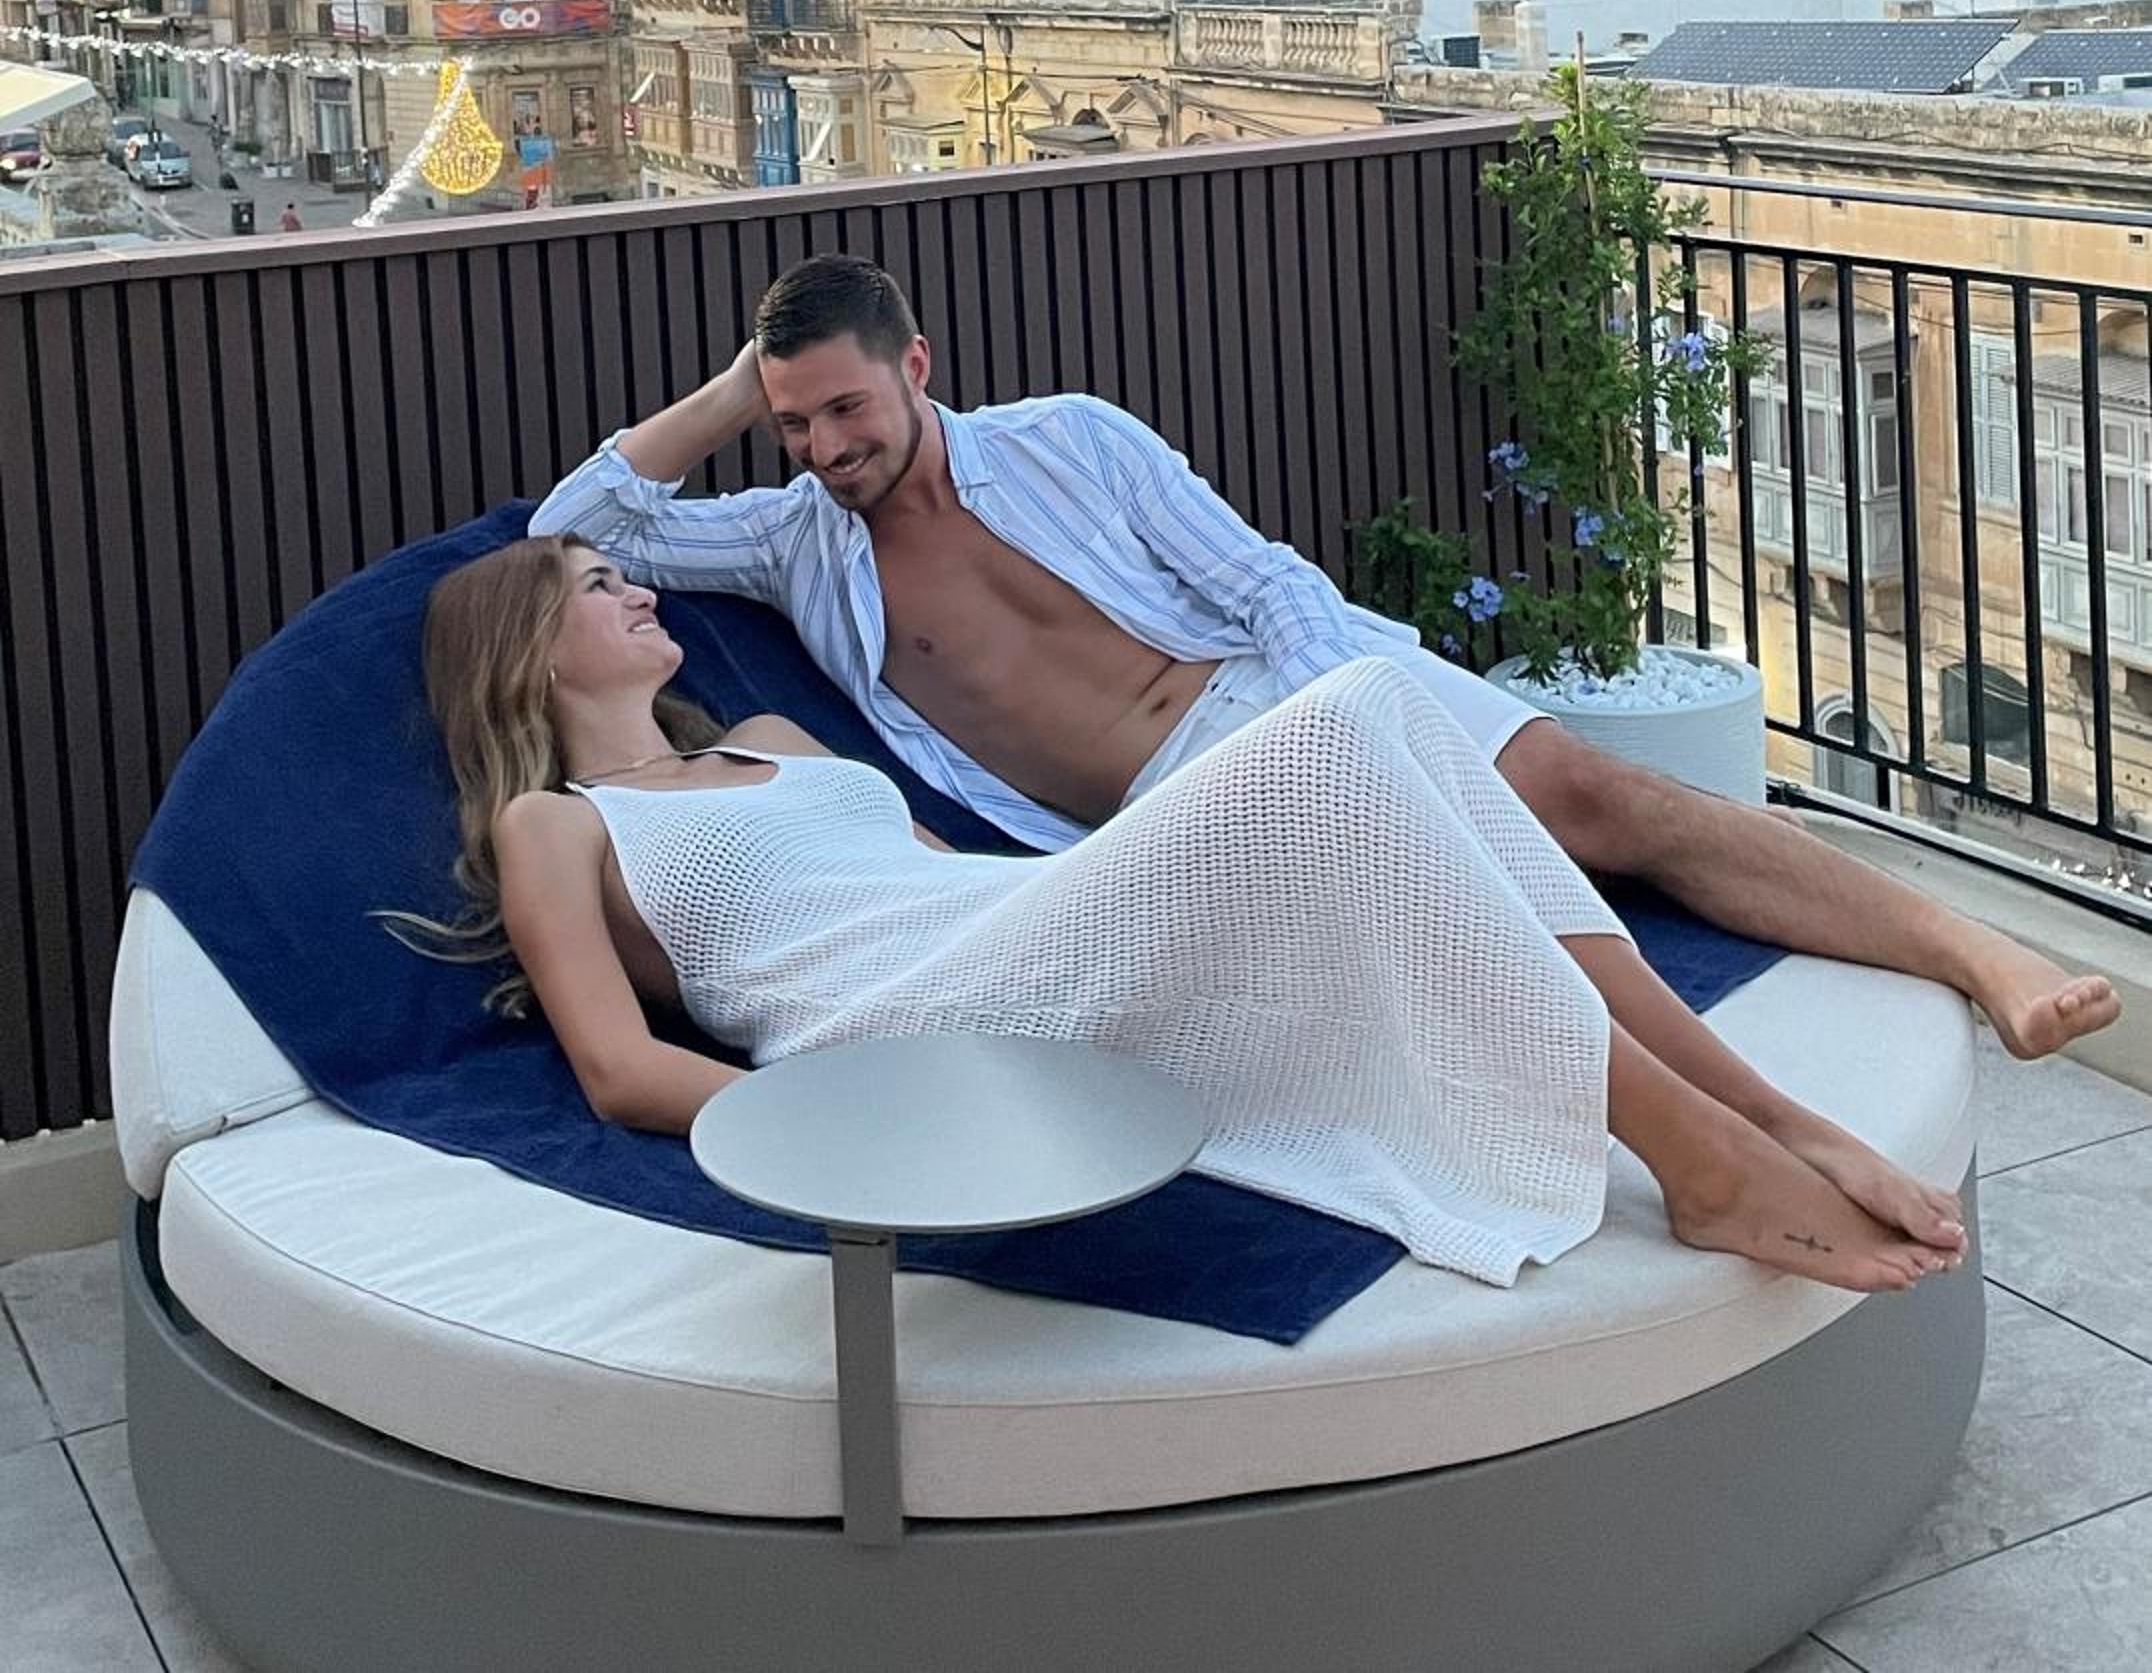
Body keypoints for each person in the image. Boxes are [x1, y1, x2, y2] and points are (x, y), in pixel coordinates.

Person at [532, 257, 2120, 1074]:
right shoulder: (788, 540)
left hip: (1284, 692)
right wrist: (737, 389)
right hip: (1159, 816)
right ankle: (1720, 1125)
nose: (824, 447)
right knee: (1456, 912)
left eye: (844, 409)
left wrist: (1329, 725)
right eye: (793, 423)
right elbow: (573, 523)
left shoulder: (1071, 439)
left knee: (1599, 797)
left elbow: (1265, 583)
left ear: (917, 371)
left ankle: (1969, 949)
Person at [421, 531, 1968, 1293]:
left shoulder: (773, 742)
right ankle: (1704, 1161)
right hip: (904, 1027)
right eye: (597, 584)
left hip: (1010, 927)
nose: (638, 588)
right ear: (529, 650)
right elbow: (618, 1070)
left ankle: (1764, 1114)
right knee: (1335, 729)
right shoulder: (560, 825)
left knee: (1388, 707)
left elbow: (929, 870)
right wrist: (845, 1115)